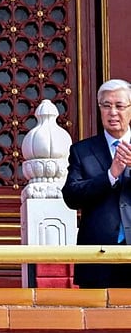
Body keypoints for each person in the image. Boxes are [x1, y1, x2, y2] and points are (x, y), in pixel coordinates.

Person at [63, 78, 131, 288]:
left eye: (119, 106)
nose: (113, 112)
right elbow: (71, 195)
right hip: (98, 254)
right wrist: (110, 176)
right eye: (106, 106)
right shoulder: (82, 151)